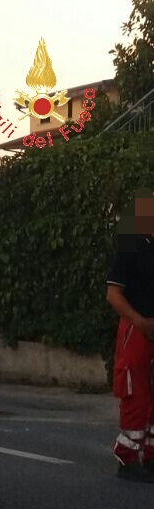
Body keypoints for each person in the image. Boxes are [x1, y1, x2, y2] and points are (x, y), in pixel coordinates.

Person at [106, 187, 154, 482]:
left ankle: (150, 455)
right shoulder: (130, 247)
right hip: (136, 329)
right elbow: (113, 294)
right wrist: (140, 322)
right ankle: (127, 458)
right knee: (135, 392)